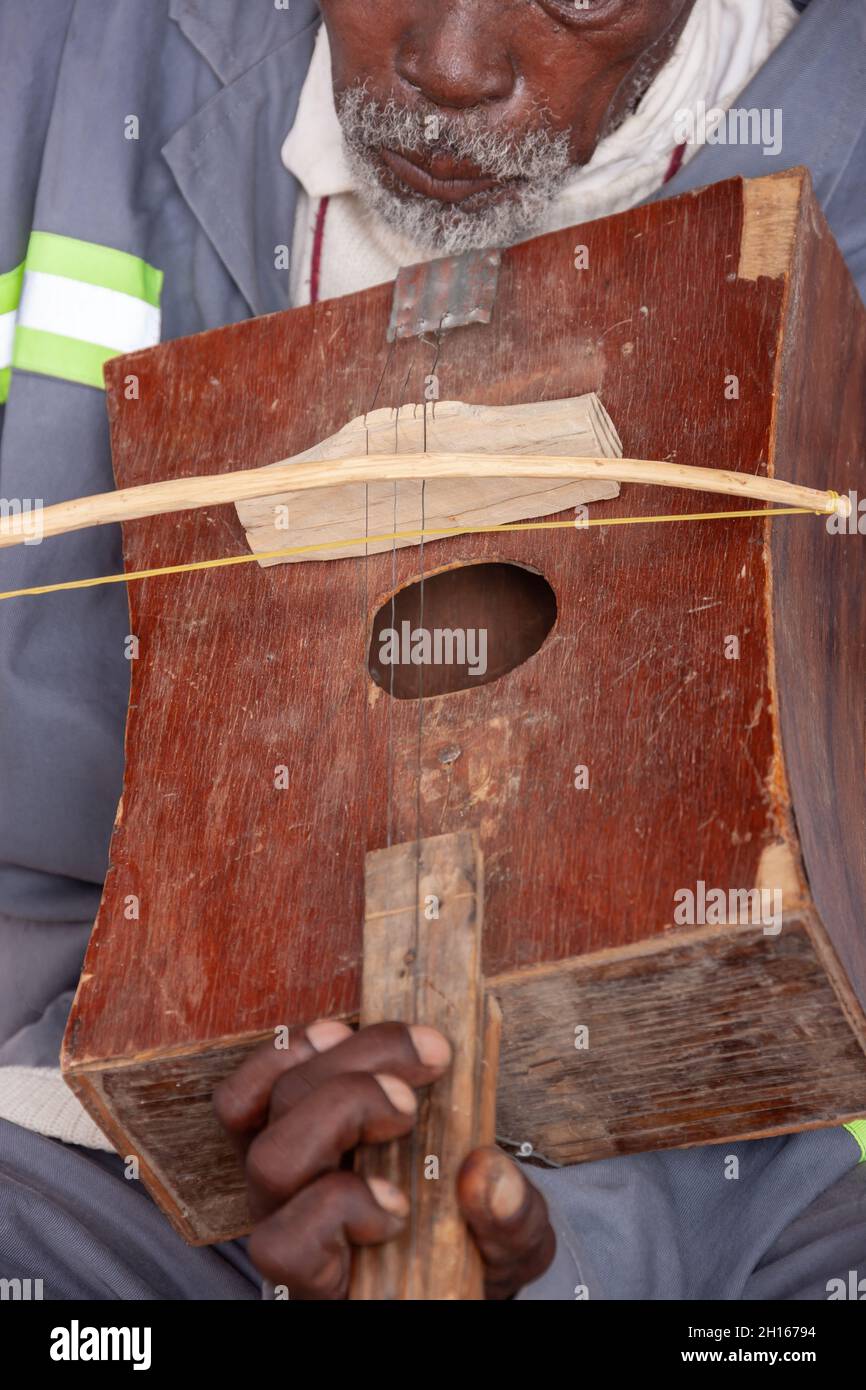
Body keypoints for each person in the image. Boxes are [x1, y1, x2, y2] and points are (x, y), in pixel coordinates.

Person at [1, 0, 864, 1301]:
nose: (450, 66)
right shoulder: (65, 52)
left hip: (719, 1196)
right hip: (59, 1130)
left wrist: (562, 1256)